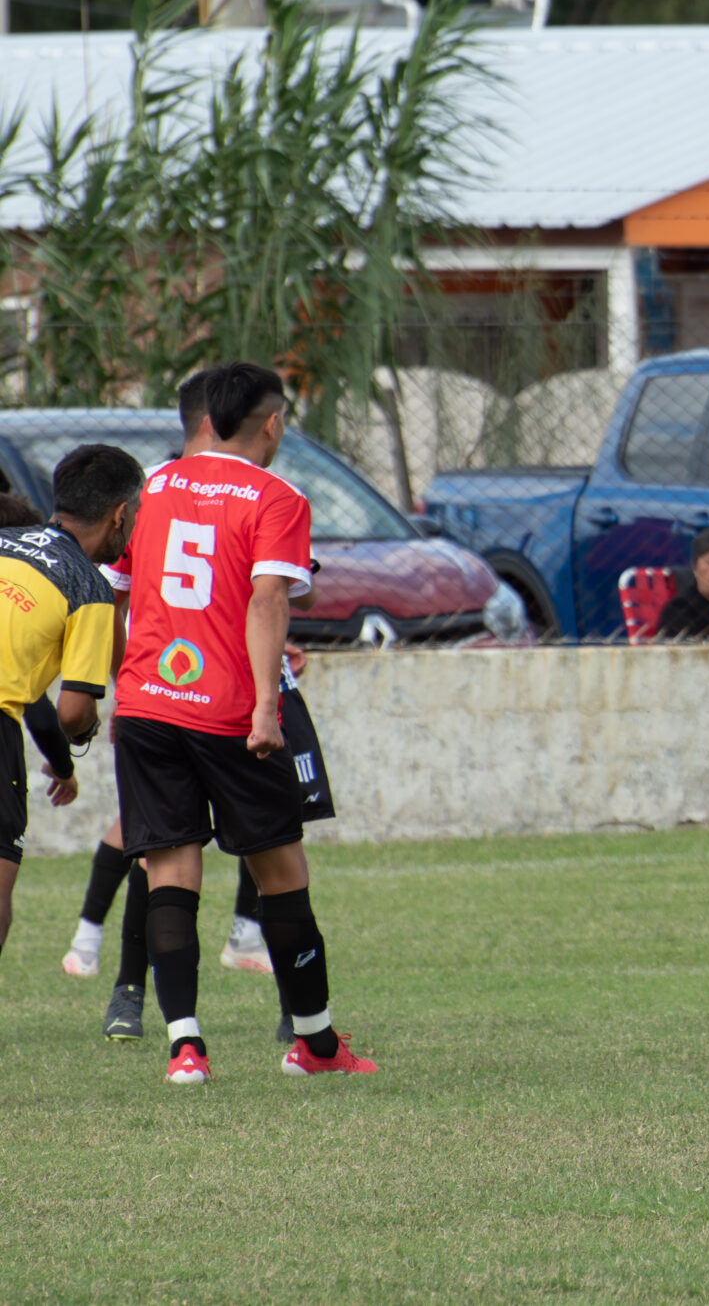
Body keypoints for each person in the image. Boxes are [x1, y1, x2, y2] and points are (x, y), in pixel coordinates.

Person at [115, 361, 377, 1083]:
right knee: (281, 871)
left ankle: (186, 1047)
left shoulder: (152, 485)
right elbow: (269, 599)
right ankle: (315, 1044)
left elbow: (119, 593)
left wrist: (120, 689)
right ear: (272, 423)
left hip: (147, 702)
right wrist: (267, 704)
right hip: (229, 709)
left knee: (171, 869)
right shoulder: (277, 497)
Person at [69, 368, 281, 1048]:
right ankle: (130, 982)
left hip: (171, 697)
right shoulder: (168, 491)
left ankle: (187, 1008)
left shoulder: (174, 490)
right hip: (203, 700)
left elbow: (252, 595)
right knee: (174, 848)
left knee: (172, 851)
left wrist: (124, 679)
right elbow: (120, 592)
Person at [0, 447, 139, 969]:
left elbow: (29, 691)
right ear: (119, 514)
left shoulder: (4, 540)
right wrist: (82, 736)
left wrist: (60, 762)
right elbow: (72, 711)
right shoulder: (88, 586)